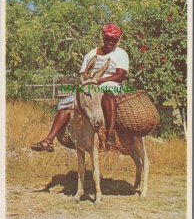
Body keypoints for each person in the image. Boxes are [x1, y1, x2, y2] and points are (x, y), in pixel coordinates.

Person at [31, 24, 129, 152]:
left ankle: (110, 134)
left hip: (110, 84)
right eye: (108, 38)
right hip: (89, 86)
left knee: (108, 93)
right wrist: (90, 83)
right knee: (65, 104)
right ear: (103, 37)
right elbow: (83, 74)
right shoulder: (91, 53)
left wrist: (99, 80)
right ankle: (48, 140)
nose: (110, 42)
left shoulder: (120, 53)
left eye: (114, 39)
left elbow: (120, 76)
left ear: (118, 40)